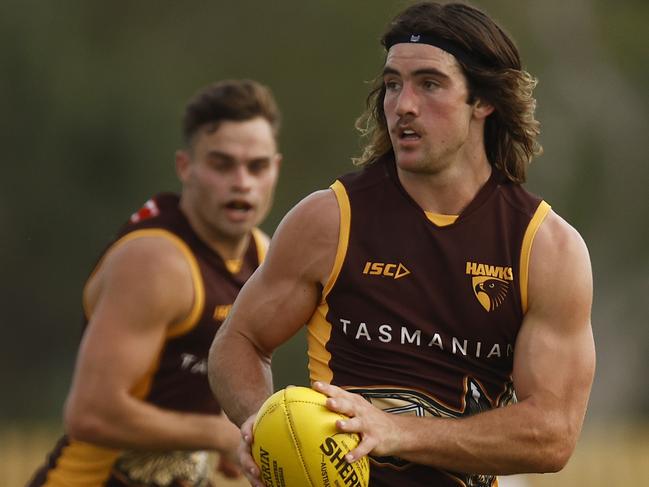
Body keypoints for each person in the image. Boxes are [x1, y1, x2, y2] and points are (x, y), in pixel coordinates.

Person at [208, 2, 595, 487]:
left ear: (484, 100)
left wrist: (397, 432)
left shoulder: (545, 248)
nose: (403, 105)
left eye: (429, 84)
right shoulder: (330, 219)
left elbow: (552, 435)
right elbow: (238, 342)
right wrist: (264, 427)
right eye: (393, 85)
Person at [28, 79, 282, 487]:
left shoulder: (263, 255)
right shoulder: (156, 261)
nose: (242, 182)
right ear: (185, 167)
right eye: (222, 164)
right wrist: (219, 435)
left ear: (276, 168)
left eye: (257, 166)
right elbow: (90, 413)